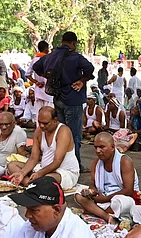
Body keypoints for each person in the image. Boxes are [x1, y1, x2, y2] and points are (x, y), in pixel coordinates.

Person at [32, 31, 94, 171]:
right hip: (72, 98)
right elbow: (90, 69)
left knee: (59, 132)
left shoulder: (50, 56)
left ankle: (59, 162)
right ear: (73, 43)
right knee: (74, 134)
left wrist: (49, 76)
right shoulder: (75, 57)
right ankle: (76, 164)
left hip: (57, 97)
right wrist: (82, 80)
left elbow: (36, 67)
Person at [6, 106, 79, 189]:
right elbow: (34, 158)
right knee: (12, 165)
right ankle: (32, 184)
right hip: (42, 169)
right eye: (39, 122)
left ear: (55, 121)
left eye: (45, 123)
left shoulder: (63, 131)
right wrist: (22, 173)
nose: (41, 126)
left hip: (64, 172)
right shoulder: (39, 131)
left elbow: (57, 161)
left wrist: (40, 173)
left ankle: (32, 184)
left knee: (48, 179)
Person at [75, 132, 138, 222]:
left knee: (122, 203)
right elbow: (93, 185)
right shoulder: (96, 163)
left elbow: (129, 191)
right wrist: (91, 192)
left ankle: (95, 210)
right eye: (95, 147)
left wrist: (105, 199)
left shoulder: (124, 161)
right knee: (78, 195)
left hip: (120, 198)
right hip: (102, 198)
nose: (98, 151)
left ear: (112, 147)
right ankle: (107, 216)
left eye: (101, 147)